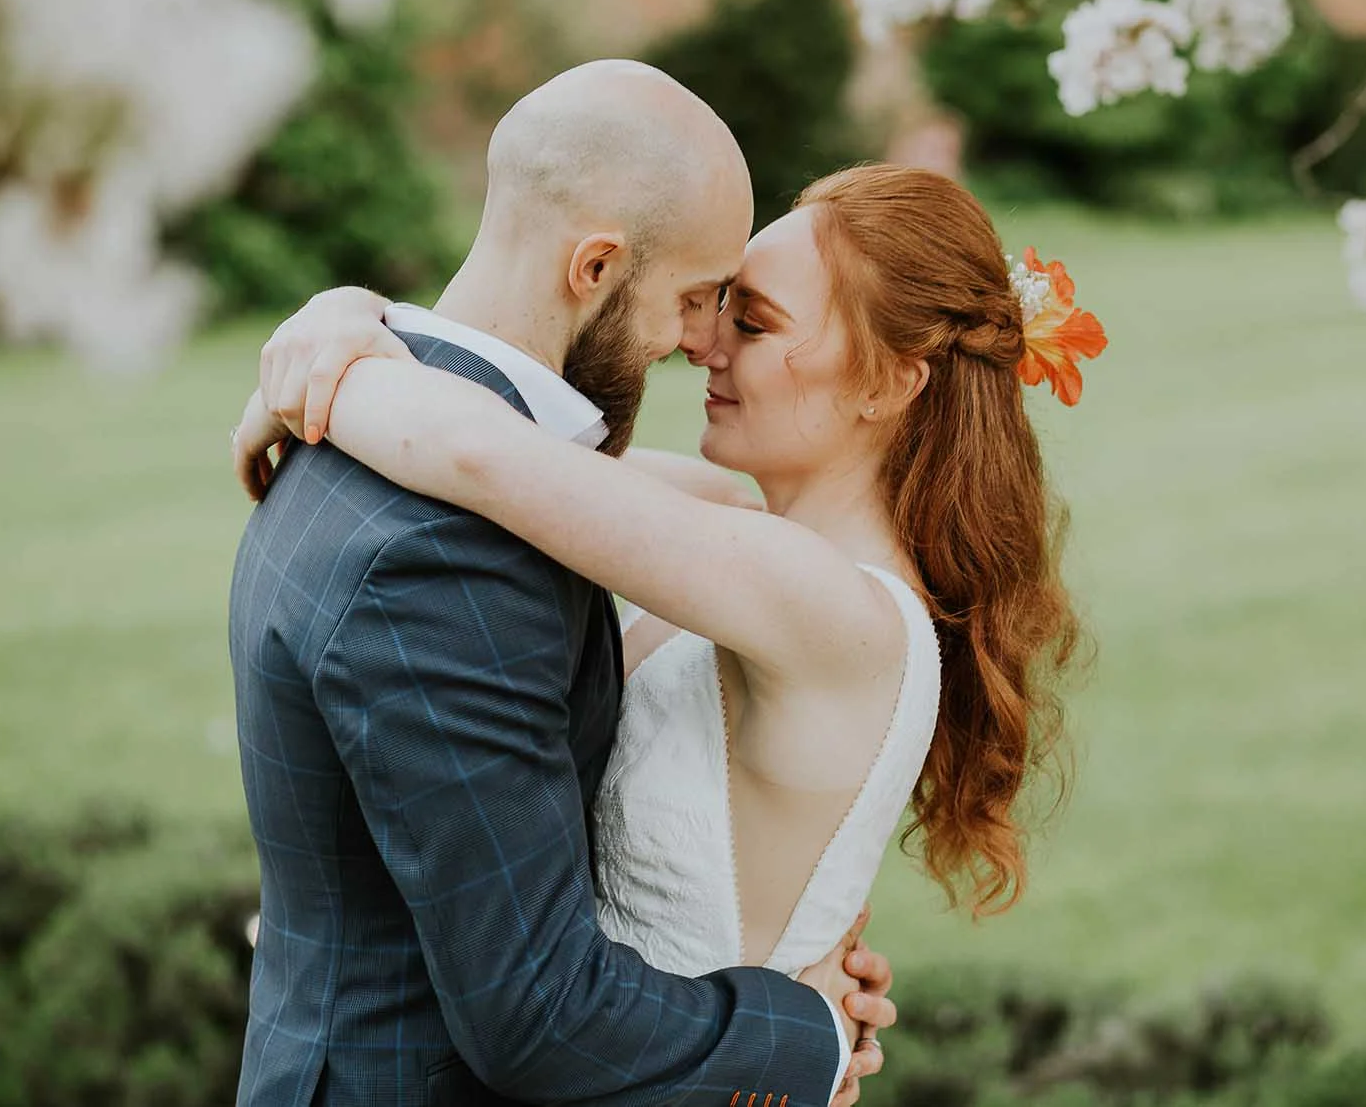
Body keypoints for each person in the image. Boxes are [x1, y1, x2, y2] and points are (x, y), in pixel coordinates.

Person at [235, 144, 1107, 1100]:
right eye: (721, 302)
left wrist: (318, 367)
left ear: (890, 383)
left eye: (758, 322)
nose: (707, 343)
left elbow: (477, 455)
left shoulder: (834, 609)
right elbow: (510, 448)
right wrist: (348, 317)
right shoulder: (722, 523)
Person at [225, 61, 896, 1107]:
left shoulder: (405, 436)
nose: (696, 343)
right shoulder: (443, 549)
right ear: (593, 266)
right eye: (690, 300)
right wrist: (804, 1035)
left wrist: (349, 322)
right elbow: (536, 1012)